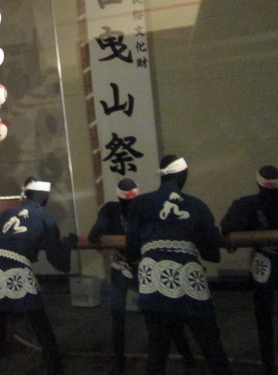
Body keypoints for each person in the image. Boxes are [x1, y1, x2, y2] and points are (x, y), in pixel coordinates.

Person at [126, 155, 233, 375]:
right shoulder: (197, 205)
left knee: (157, 351)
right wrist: (225, 242)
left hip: (155, 280)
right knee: (212, 347)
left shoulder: (140, 203)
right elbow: (210, 251)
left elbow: (132, 247)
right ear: (183, 175)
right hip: (189, 280)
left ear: (162, 176)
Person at [89, 178, 196, 374]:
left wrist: (97, 232)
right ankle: (184, 357)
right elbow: (99, 228)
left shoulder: (119, 209)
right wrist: (97, 231)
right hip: (128, 266)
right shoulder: (126, 208)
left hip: (137, 267)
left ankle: (182, 356)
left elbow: (99, 228)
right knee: (143, 315)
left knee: (153, 315)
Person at [0, 176, 74, 375]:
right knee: (43, 332)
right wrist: (68, 246)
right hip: (16, 270)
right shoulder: (46, 219)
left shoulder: (7, 214)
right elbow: (61, 263)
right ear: (45, 197)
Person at [220, 164, 278, 375]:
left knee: (263, 313)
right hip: (264, 259)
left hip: (263, 257)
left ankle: (268, 363)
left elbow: (228, 227)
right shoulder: (247, 205)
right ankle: (268, 362)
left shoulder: (246, 205)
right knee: (263, 311)